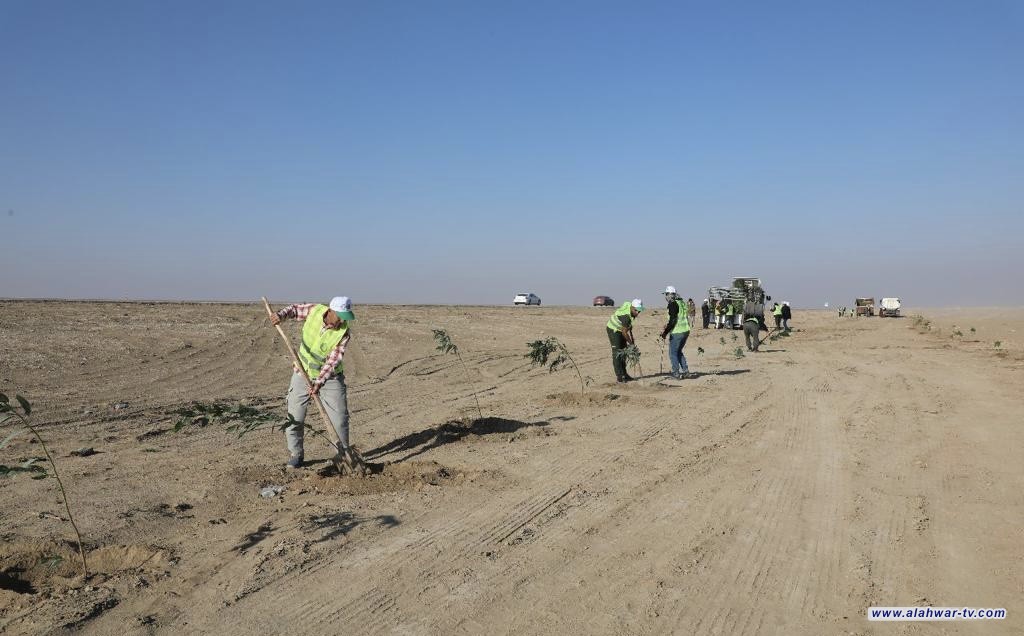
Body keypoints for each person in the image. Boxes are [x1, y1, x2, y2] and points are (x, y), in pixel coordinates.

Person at [270, 296, 355, 468]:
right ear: (330, 311)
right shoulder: (315, 310)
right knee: (295, 417)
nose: (341, 321)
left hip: (330, 378)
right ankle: (296, 454)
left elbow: (332, 362)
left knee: (339, 419)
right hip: (301, 373)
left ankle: (344, 456)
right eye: (340, 316)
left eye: (345, 317)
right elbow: (294, 309)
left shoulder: (343, 332)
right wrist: (280, 315)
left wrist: (319, 382)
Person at [606, 298, 643, 383]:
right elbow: (624, 332)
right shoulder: (626, 317)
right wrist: (631, 344)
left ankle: (624, 374)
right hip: (613, 330)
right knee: (617, 353)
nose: (637, 313)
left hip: (622, 329)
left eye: (639, 311)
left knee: (624, 351)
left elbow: (625, 327)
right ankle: (619, 377)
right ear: (632, 307)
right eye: (636, 310)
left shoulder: (629, 305)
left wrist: (629, 325)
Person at [660, 286, 692, 379]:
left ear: (670, 295)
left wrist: (665, 333)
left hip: (677, 332)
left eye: (666, 294)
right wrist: (668, 325)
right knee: (678, 352)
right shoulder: (681, 302)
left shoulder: (673, 304)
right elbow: (677, 317)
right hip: (685, 330)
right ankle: (686, 372)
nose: (666, 297)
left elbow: (673, 320)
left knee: (672, 353)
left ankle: (676, 373)